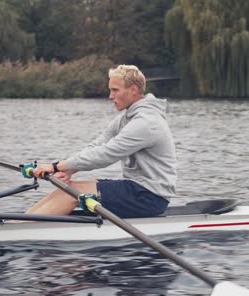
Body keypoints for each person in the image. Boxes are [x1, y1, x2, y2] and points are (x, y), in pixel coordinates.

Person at [27, 65, 176, 218]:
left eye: (115, 90)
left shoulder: (146, 122)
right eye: (110, 90)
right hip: (136, 189)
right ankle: (14, 225)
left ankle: (18, 233)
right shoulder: (126, 119)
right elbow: (97, 146)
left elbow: (106, 154)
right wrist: (69, 170)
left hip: (149, 197)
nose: (110, 96)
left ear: (133, 89)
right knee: (67, 189)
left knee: (71, 195)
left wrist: (55, 166)